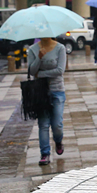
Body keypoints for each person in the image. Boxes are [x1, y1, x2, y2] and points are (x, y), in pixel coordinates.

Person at [27, 36, 66, 166]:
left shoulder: (60, 48)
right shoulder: (32, 49)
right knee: (43, 124)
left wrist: (41, 74)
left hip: (57, 90)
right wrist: (39, 57)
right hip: (40, 92)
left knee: (57, 125)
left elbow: (60, 71)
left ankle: (58, 140)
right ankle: (45, 153)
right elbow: (32, 71)